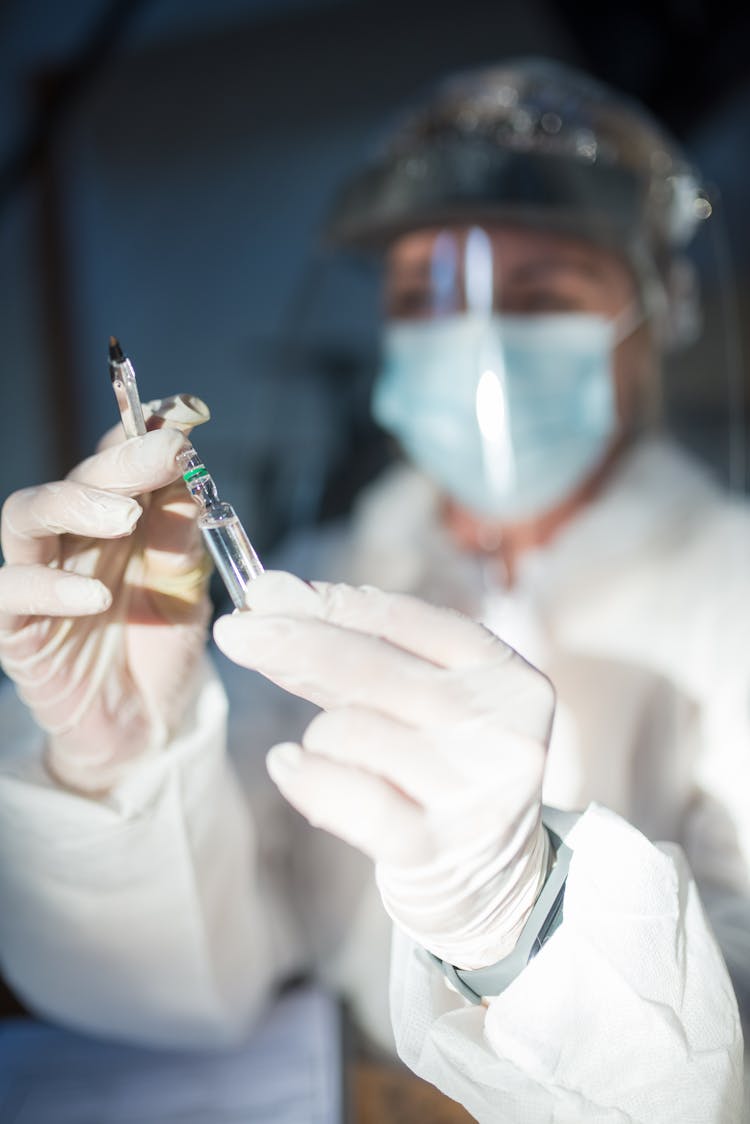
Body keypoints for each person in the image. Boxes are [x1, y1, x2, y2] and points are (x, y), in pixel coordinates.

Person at [0, 56, 748, 1122]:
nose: (477, 338)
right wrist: (113, 762)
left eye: (537, 297)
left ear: (650, 317)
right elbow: (181, 998)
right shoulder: (324, 572)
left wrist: (521, 924)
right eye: (425, 300)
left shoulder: (735, 591)